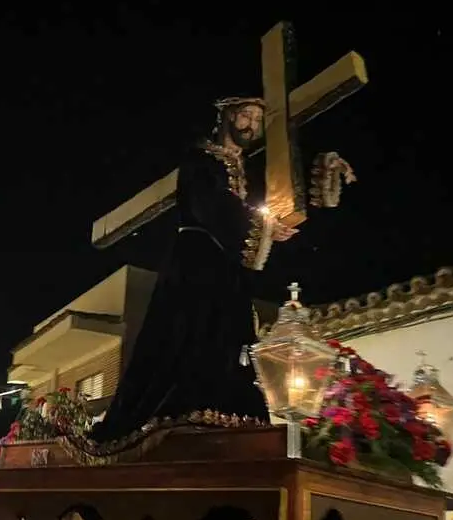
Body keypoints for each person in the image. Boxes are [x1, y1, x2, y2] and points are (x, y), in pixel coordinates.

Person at [83, 97, 297, 456]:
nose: (251, 126)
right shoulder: (200, 159)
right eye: (245, 116)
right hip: (196, 262)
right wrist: (262, 226)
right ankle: (184, 411)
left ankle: (223, 411)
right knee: (188, 334)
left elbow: (243, 212)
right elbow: (211, 207)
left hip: (225, 268)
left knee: (227, 339)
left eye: (258, 120)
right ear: (227, 116)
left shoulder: (239, 168)